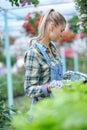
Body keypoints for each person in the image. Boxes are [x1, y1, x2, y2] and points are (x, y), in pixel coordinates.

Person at [24, 9, 66, 101]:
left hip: (58, 106)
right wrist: (49, 88)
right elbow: (29, 89)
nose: (62, 34)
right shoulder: (34, 52)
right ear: (52, 26)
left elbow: (49, 77)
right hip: (44, 111)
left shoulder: (53, 47)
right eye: (61, 30)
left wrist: (65, 78)